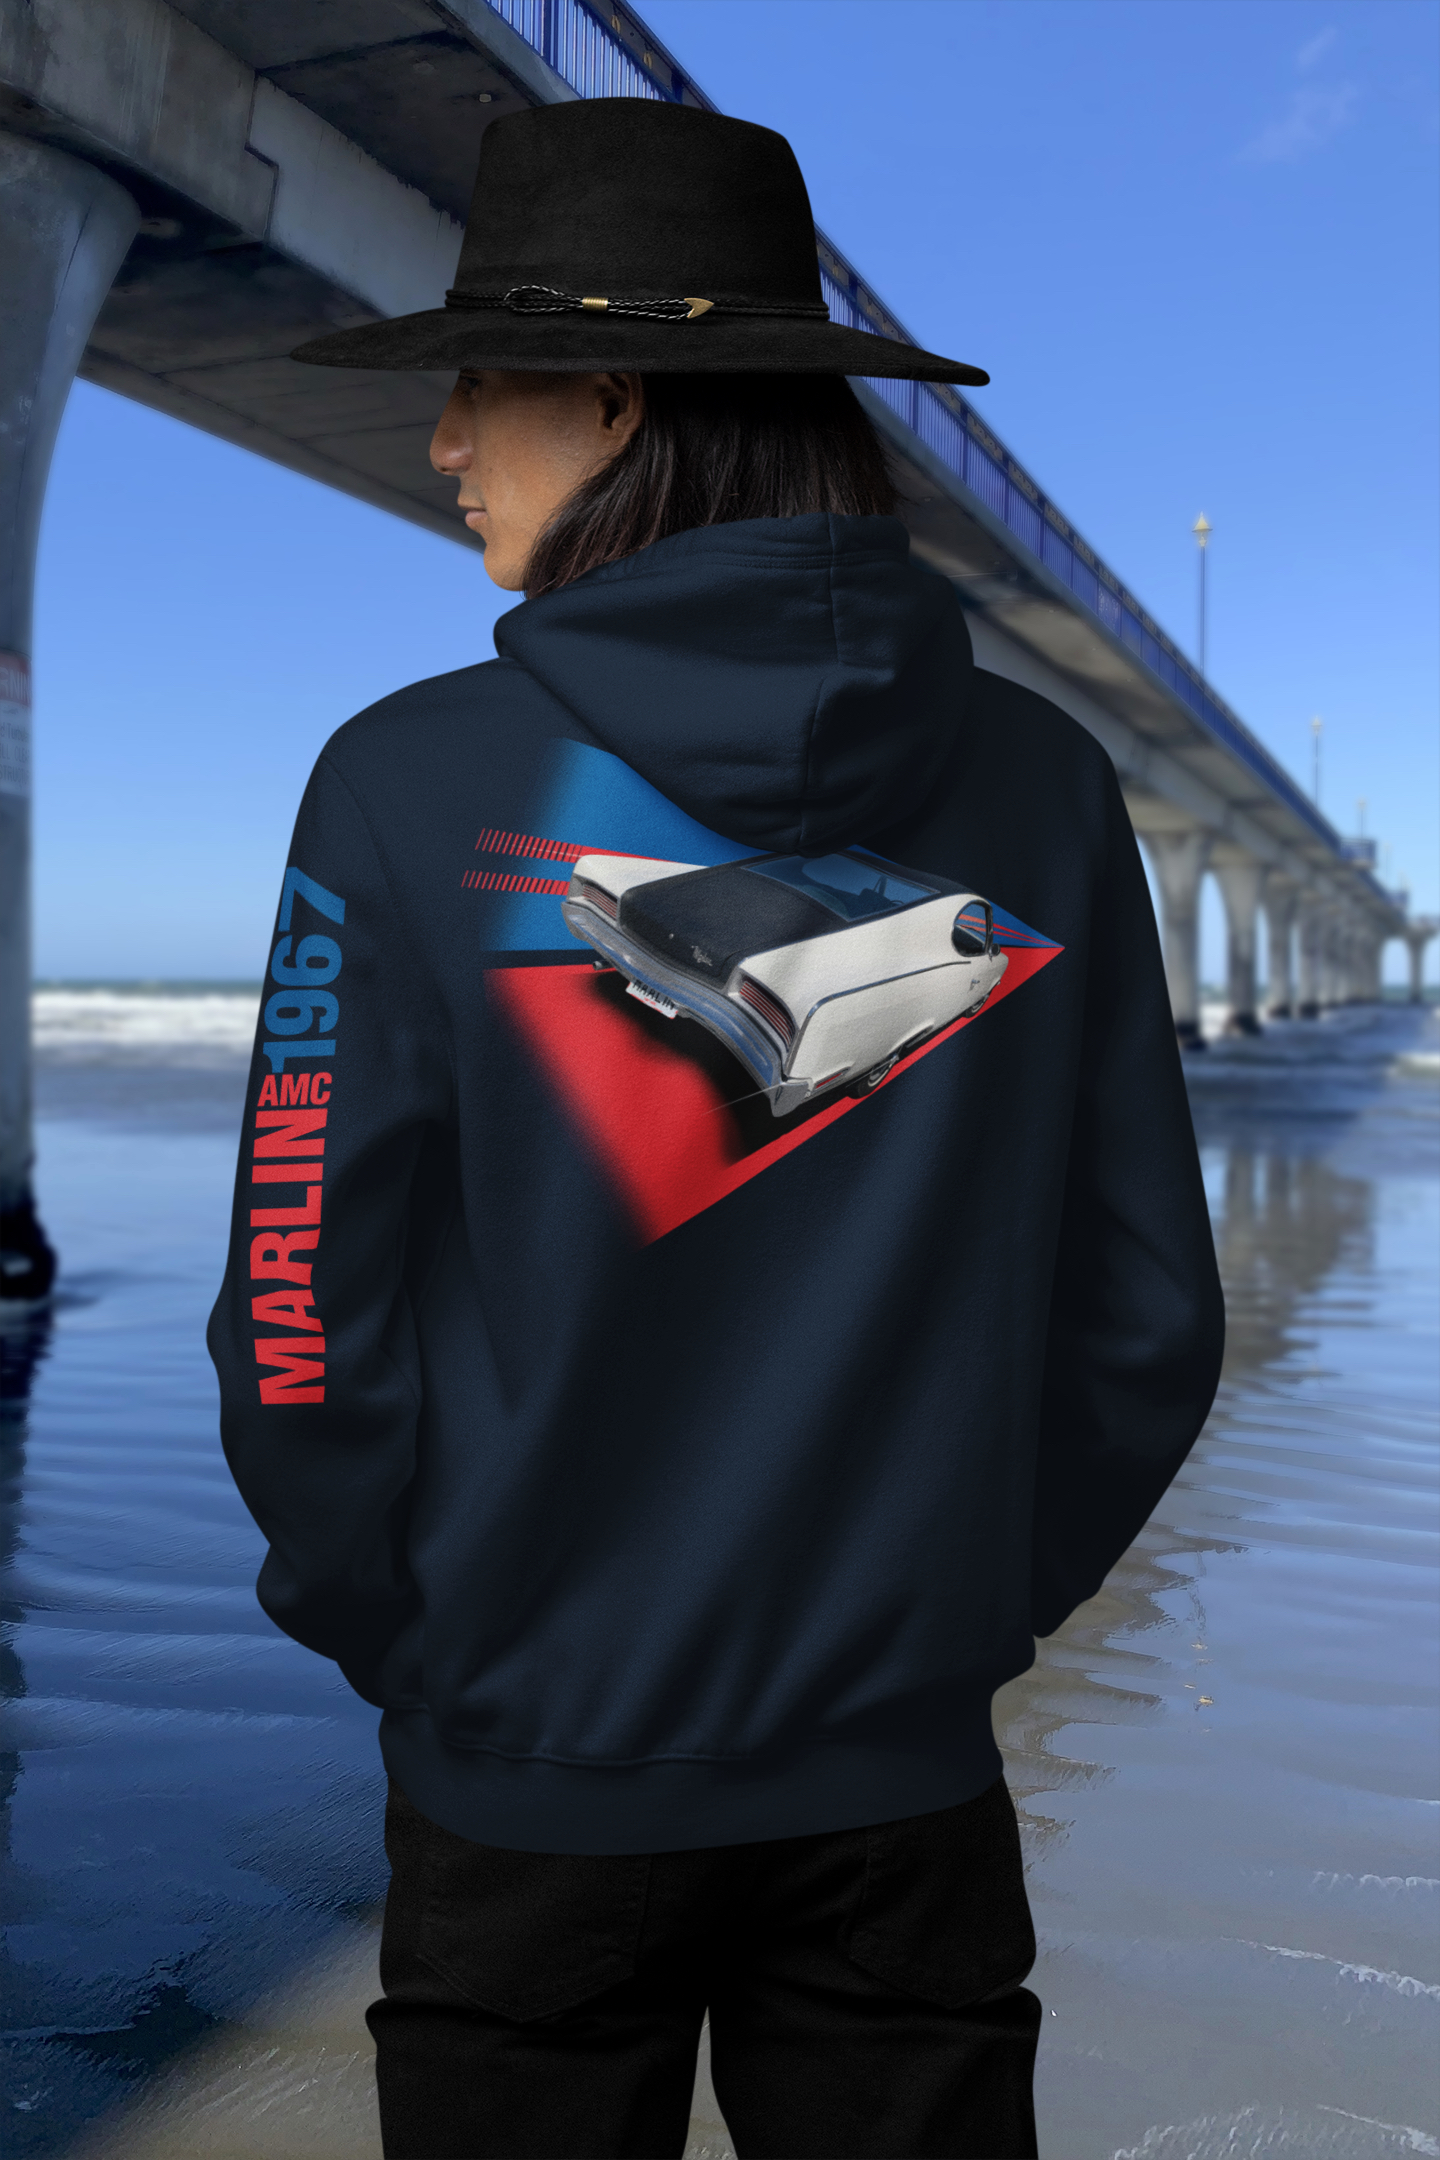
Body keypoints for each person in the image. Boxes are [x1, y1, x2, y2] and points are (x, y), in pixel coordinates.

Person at [208, 98, 1224, 2160]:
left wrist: (419, 1640)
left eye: (473, 390)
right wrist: (949, 1622)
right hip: (902, 1770)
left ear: (603, 395)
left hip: (531, 1769)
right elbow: (1143, 1313)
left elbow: (301, 1309)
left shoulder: (408, 784)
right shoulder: (1038, 789)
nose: (442, 445)